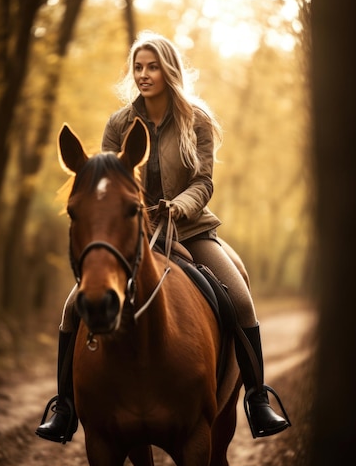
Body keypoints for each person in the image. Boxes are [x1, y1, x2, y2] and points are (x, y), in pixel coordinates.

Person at [36, 31, 290, 444]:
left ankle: (258, 398)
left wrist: (178, 206)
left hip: (189, 229)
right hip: (133, 231)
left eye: (152, 66)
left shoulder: (198, 121)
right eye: (138, 67)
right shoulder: (119, 124)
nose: (144, 74)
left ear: (168, 70)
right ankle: (64, 406)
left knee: (240, 298)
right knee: (72, 309)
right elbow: (106, 179)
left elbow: (204, 181)